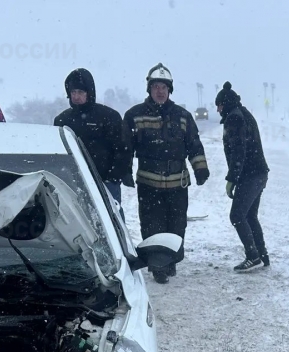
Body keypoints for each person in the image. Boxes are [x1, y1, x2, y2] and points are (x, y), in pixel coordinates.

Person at [123, 63, 209, 283]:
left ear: (169, 89)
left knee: (176, 226)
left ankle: (170, 261)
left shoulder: (183, 116)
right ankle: (158, 266)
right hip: (149, 184)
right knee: (152, 225)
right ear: (149, 89)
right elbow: (125, 147)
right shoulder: (134, 115)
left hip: (177, 184)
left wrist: (200, 168)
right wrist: (124, 170)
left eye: (163, 87)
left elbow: (194, 144)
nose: (160, 91)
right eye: (156, 87)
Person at [54, 68, 131, 215]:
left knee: (110, 219)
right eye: (73, 92)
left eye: (80, 92)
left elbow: (123, 150)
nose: (76, 96)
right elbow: (57, 153)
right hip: (73, 184)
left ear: (89, 93)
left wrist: (112, 177)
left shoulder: (109, 117)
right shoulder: (62, 120)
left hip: (105, 183)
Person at [215, 82, 270, 273]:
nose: (218, 110)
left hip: (250, 175)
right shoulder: (244, 114)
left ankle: (253, 256)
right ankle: (262, 255)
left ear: (224, 104)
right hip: (259, 173)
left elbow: (239, 150)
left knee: (237, 215)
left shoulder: (234, 118)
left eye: (218, 105)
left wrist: (232, 178)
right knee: (250, 216)